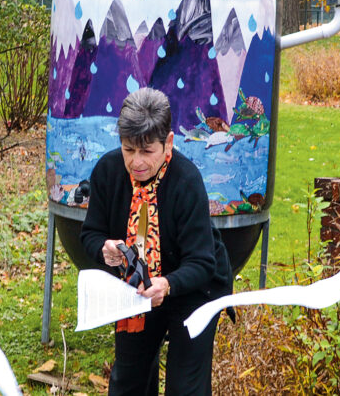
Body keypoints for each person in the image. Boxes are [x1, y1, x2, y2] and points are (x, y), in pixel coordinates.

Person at [81, 87, 233, 395]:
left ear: (169, 144)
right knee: (127, 382)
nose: (136, 161)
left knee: (184, 388)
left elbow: (203, 262)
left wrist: (166, 284)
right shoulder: (108, 171)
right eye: (128, 149)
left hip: (195, 288)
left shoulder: (186, 181)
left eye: (147, 151)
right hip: (137, 289)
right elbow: (90, 234)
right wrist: (104, 249)